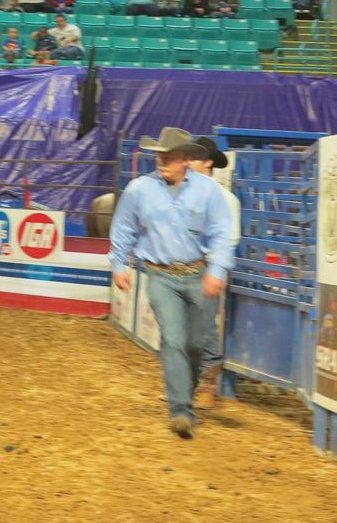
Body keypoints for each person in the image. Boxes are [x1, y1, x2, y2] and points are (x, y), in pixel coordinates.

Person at [109, 127, 233, 439]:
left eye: (170, 155)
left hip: (199, 274)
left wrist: (217, 269)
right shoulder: (139, 189)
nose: (162, 159)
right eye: (159, 154)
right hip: (160, 275)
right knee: (174, 340)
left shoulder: (207, 191)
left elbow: (221, 232)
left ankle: (183, 393)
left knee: (195, 344)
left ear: (185, 160)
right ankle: (180, 410)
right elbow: (124, 228)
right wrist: (119, 263)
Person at [187, 136, 241, 411]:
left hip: (206, 267)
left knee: (202, 325)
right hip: (184, 265)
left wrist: (214, 269)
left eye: (193, 158)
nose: (187, 163)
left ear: (207, 163)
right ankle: (188, 387)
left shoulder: (225, 199)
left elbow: (230, 239)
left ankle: (206, 384)